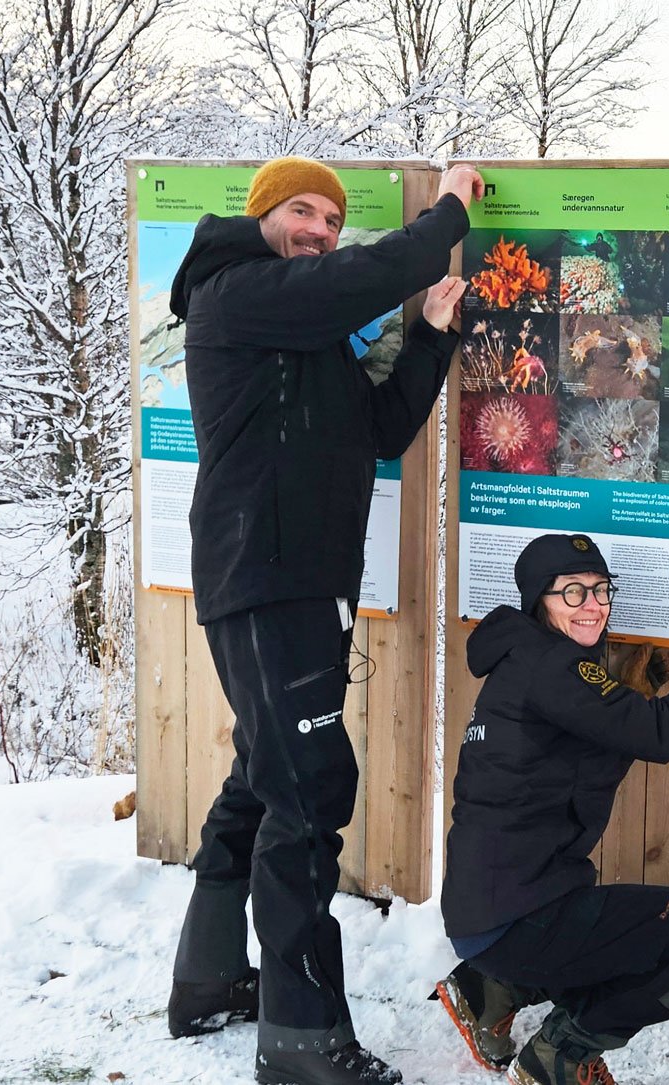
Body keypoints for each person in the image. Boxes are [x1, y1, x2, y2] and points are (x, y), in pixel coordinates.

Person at [163, 157, 484, 1085]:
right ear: (263, 215)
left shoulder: (298, 330)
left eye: (333, 220)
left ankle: (209, 979)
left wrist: (429, 337)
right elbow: (365, 276)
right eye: (302, 210)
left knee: (266, 777)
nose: (320, 229)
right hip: (269, 581)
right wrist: (449, 210)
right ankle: (302, 1041)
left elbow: (377, 430)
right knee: (307, 796)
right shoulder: (236, 290)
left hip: (297, 584)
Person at [433, 533, 669, 1085]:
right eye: (572, 592)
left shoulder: (522, 662)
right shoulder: (553, 667)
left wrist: (623, 700)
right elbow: (661, 735)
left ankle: (491, 988)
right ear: (539, 601)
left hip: (489, 914)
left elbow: (576, 769)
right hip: (521, 918)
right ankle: (563, 1052)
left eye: (601, 589)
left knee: (612, 934)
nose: (593, 605)